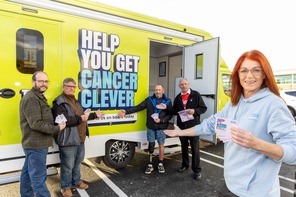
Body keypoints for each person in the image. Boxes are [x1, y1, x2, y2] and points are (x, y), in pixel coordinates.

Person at [164, 50, 296, 197]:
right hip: (229, 186)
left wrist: (257, 144)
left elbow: (293, 151)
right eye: (244, 71)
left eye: (256, 70)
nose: (249, 76)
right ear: (238, 75)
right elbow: (208, 125)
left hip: (257, 193)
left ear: (265, 74)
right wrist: (180, 132)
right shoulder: (234, 103)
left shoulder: (274, 105)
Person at [52, 78, 104, 197]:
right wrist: (81, 118)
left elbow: (82, 117)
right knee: (67, 165)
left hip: (80, 138)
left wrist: (94, 115)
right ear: (63, 87)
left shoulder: (75, 101)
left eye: (73, 87)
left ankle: (76, 181)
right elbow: (63, 121)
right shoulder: (59, 102)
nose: (71, 88)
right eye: (68, 86)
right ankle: (65, 187)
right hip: (68, 139)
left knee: (77, 163)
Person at [19, 71, 66, 197]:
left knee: (28, 173)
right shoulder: (31, 98)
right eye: (40, 81)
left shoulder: (37, 96)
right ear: (33, 82)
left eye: (46, 81)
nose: (44, 84)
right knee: (38, 177)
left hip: (34, 144)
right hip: (36, 145)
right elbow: (36, 124)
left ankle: (26, 195)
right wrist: (57, 128)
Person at [118, 84, 172, 174]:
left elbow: (170, 114)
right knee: (151, 145)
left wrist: (162, 120)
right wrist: (126, 111)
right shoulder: (149, 100)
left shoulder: (167, 101)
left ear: (163, 91)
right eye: (156, 90)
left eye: (159, 90)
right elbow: (139, 107)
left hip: (161, 127)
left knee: (161, 145)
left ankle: (161, 163)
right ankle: (150, 164)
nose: (157, 91)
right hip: (151, 126)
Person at [172, 78, 207, 180]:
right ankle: (185, 165)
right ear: (179, 86)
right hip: (182, 127)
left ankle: (197, 170)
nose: (184, 86)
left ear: (189, 84)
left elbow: (203, 108)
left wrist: (194, 111)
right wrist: (166, 107)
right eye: (182, 84)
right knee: (183, 147)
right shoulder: (178, 97)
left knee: (195, 149)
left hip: (194, 127)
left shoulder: (196, 95)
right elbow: (175, 111)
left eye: (185, 84)